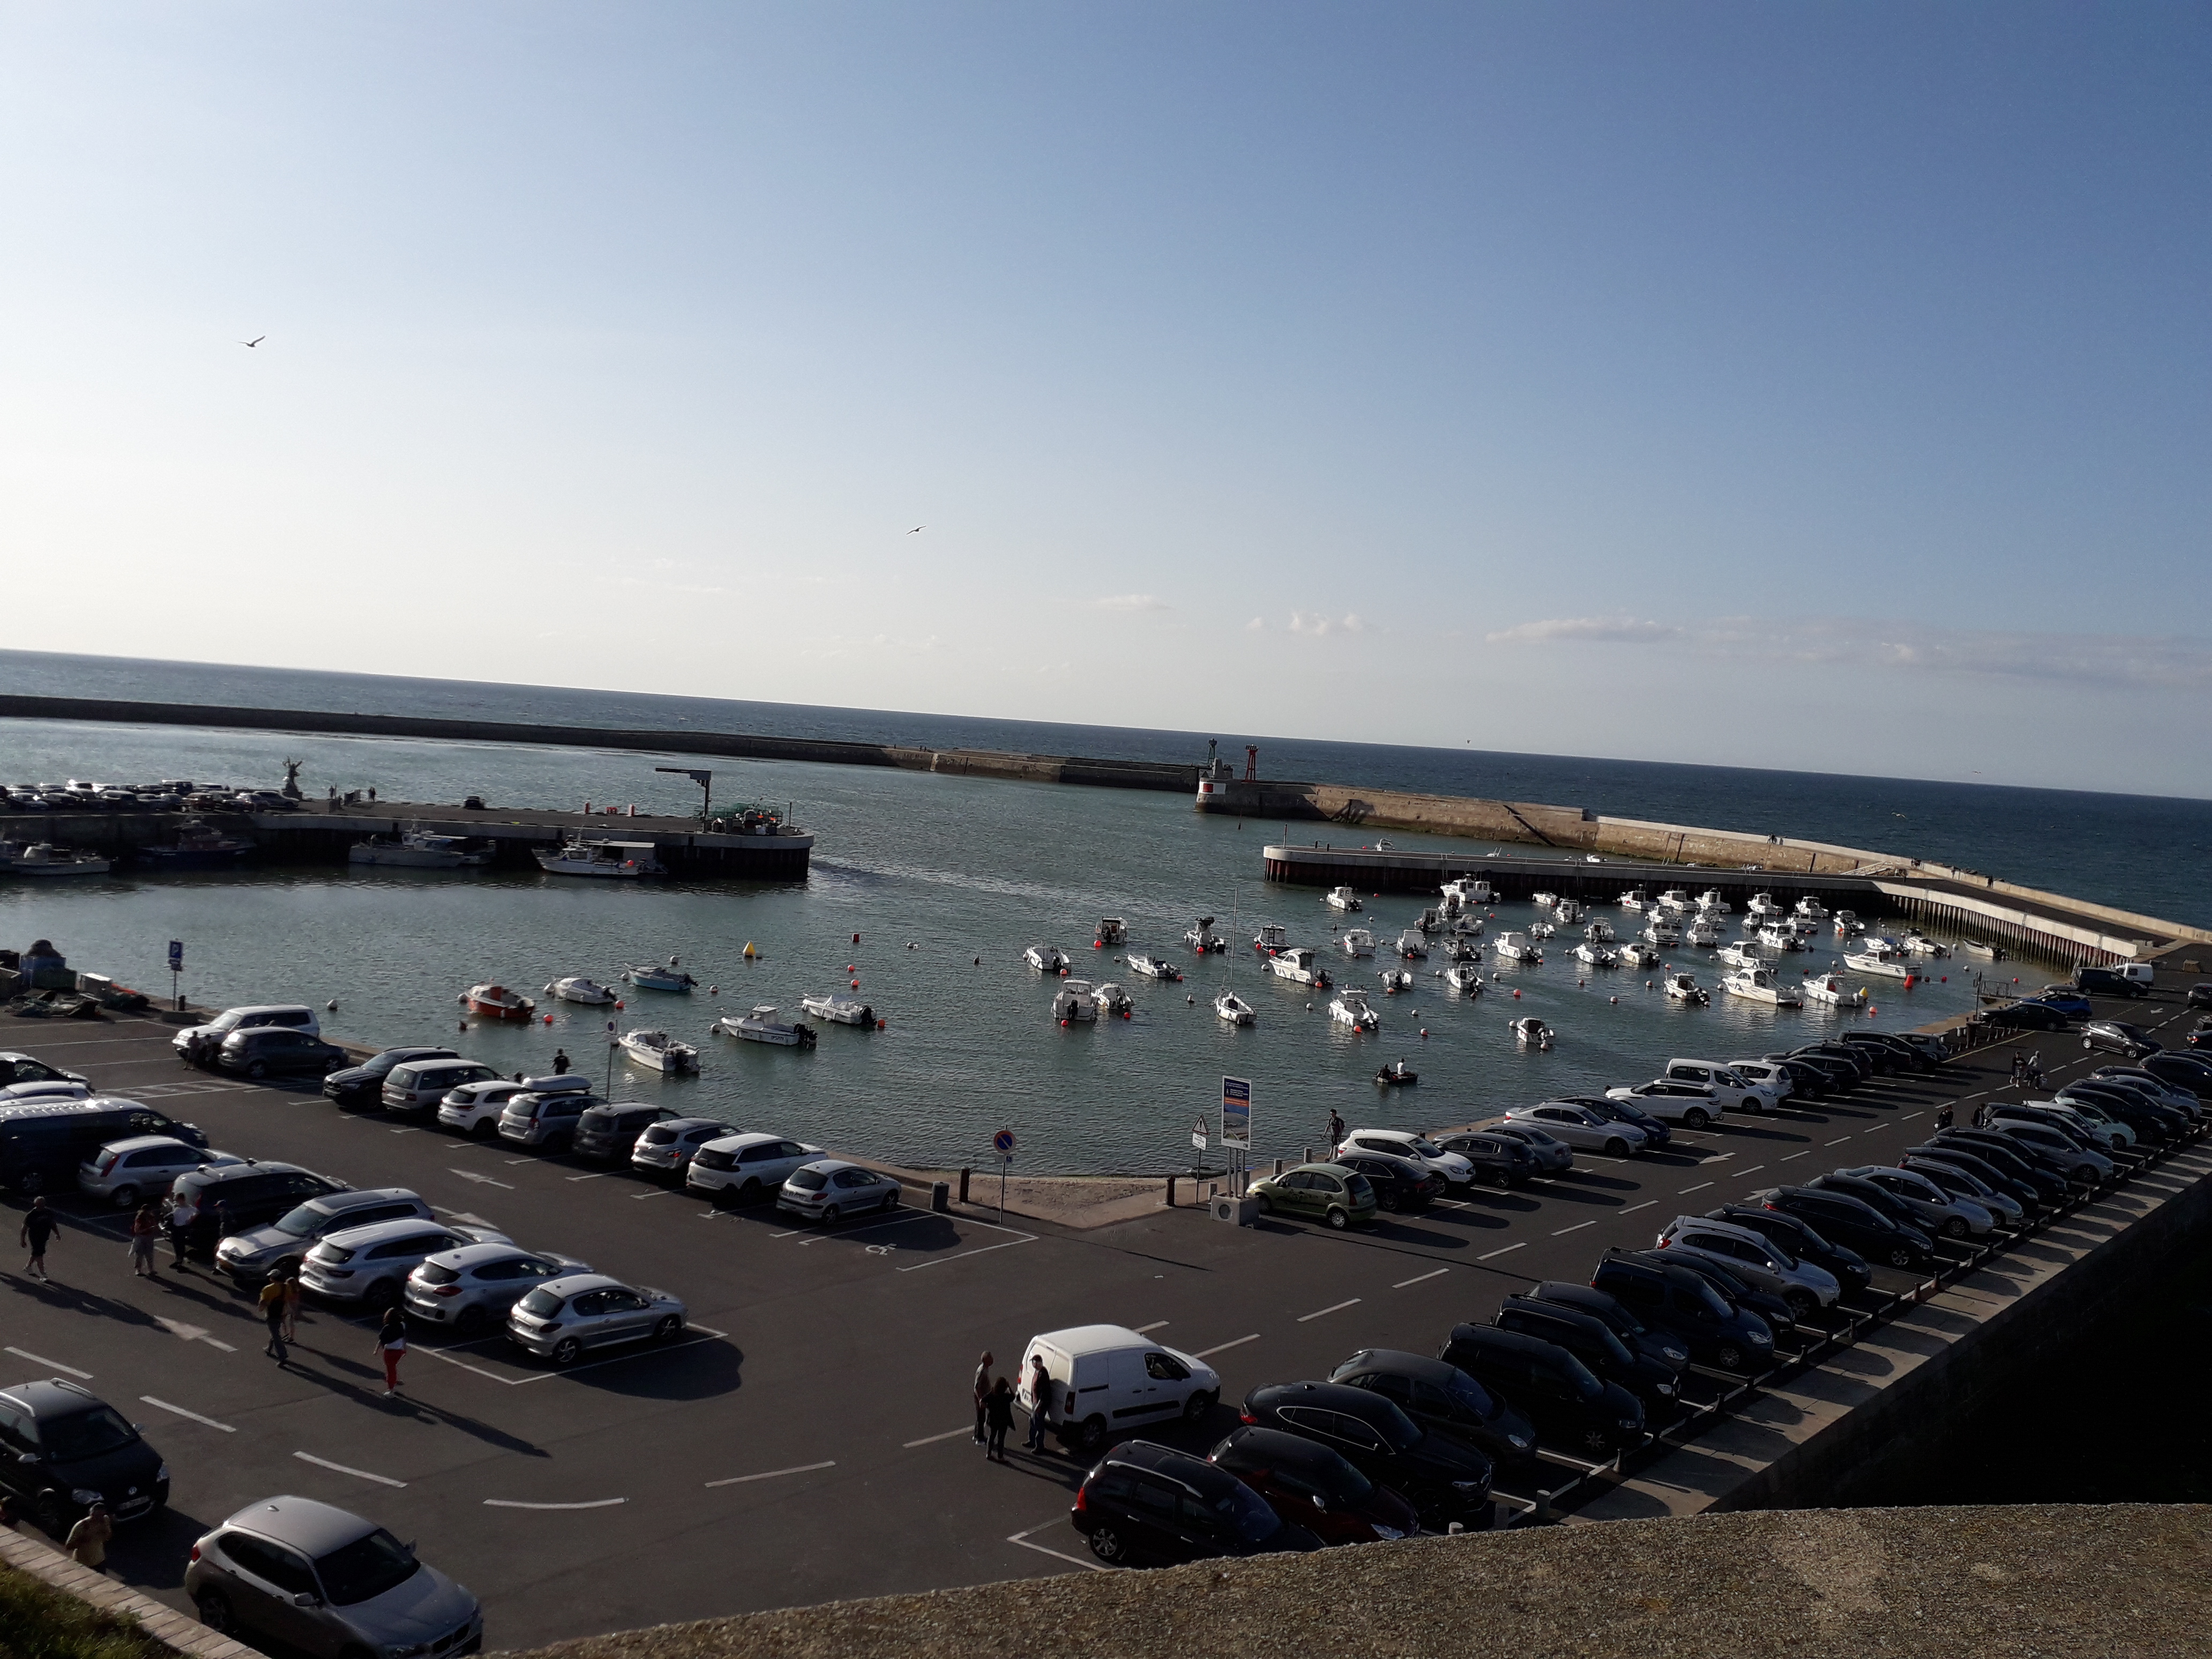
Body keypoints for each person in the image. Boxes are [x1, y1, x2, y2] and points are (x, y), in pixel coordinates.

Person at [65, 1501, 111, 1570]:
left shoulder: (105, 1521)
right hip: (83, 1563)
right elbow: (68, 1546)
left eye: (101, 1516)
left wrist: (106, 1529)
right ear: (91, 1514)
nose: (99, 1519)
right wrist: (82, 1541)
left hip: (99, 1561)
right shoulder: (81, 1526)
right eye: (96, 1516)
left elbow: (108, 1537)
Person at [20, 1197, 57, 1281]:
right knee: (39, 1255)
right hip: (34, 1237)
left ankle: (28, 1267)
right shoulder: (31, 1215)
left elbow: (53, 1224)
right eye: (37, 1205)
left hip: (44, 1237)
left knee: (36, 1253)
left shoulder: (48, 1213)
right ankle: (43, 1274)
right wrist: (23, 1240)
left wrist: (57, 1234)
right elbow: (24, 1228)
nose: (39, 1206)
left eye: (40, 1205)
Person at [375, 1305, 407, 1395]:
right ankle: (394, 1380)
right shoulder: (402, 1325)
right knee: (393, 1367)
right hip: (399, 1351)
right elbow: (403, 1338)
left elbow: (382, 1339)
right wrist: (405, 1348)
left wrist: (376, 1350)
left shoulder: (387, 1328)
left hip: (389, 1351)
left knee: (390, 1369)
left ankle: (391, 1389)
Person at [1025, 1355, 1053, 1453]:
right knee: (1032, 1421)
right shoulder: (1038, 1372)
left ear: (1037, 1363)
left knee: (1038, 1424)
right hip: (1035, 1402)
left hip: (1040, 1404)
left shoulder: (1043, 1374)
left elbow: (1044, 1393)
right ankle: (1032, 1441)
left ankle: (1040, 1446)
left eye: (1033, 1362)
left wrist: (1039, 1405)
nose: (1033, 1365)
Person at [260, 1272, 290, 1365]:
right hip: (281, 1313)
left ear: (272, 1279)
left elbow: (263, 1302)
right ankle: (269, 1349)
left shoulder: (268, 1289)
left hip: (271, 1314)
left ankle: (282, 1356)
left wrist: (260, 1309)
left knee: (276, 1335)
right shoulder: (287, 1287)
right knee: (275, 1331)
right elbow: (287, 1300)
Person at [984, 1376, 1015, 1463]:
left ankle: (989, 1453)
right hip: (1003, 1421)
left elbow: (983, 1400)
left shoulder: (992, 1396)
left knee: (992, 1436)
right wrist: (1009, 1387)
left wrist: (987, 1407)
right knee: (1001, 1439)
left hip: (993, 1420)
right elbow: (1013, 1397)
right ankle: (1000, 1457)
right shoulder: (1006, 1397)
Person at [128, 1204, 161, 1278]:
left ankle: (150, 1270)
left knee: (149, 1254)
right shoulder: (140, 1218)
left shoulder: (151, 1217)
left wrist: (154, 1228)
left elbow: (154, 1225)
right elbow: (137, 1230)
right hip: (141, 1237)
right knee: (140, 1254)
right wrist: (148, 1229)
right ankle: (139, 1270)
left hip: (149, 1237)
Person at [972, 1350, 994, 1444]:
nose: (992, 1360)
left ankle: (976, 1435)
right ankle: (980, 1438)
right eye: (990, 1358)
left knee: (980, 1417)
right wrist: (980, 1399)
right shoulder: (982, 1371)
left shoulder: (985, 1368)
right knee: (981, 1418)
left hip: (983, 1396)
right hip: (981, 1397)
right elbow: (977, 1387)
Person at [165, 1195, 190, 1272]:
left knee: (179, 1247)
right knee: (179, 1247)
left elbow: (167, 1217)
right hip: (179, 1231)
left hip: (178, 1232)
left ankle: (179, 1262)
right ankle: (178, 1261)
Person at [281, 1269, 302, 1343]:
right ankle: (292, 1337)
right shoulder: (296, 1291)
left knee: (284, 1322)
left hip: (287, 1307)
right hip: (294, 1308)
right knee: (292, 1323)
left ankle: (285, 1334)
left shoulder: (287, 1290)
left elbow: (286, 1299)